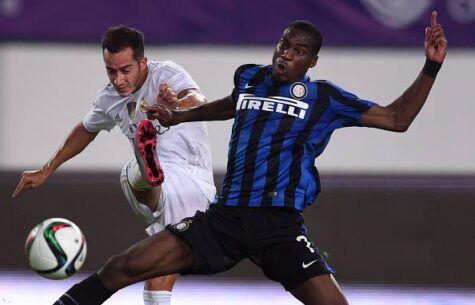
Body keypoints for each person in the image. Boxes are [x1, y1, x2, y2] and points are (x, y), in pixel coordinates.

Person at [52, 11, 447, 305]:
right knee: (123, 267)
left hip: (278, 224)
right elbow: (229, 106)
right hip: (225, 217)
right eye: (283, 45)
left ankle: (145, 181)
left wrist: (430, 66)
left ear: (312, 62)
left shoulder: (324, 98)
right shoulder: (251, 78)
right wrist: (179, 117)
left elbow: (397, 119)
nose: (286, 55)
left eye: (299, 51)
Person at [12, 26, 216, 305]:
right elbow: (85, 130)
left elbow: (199, 99)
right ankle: (149, 167)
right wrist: (46, 169)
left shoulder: (165, 74)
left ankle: (148, 169)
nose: (118, 79)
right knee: (135, 174)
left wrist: (177, 105)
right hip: (156, 180)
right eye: (111, 70)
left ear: (142, 63)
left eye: (126, 70)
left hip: (192, 180)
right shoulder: (109, 98)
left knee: (159, 268)